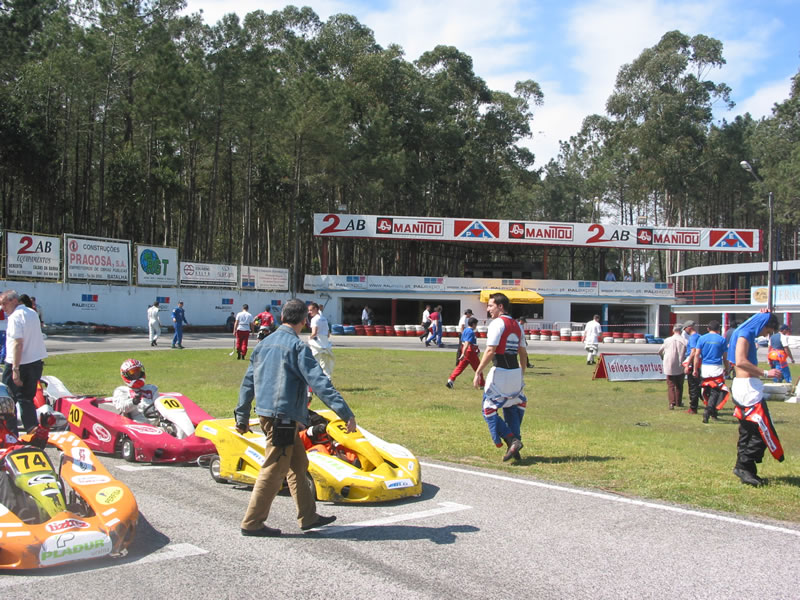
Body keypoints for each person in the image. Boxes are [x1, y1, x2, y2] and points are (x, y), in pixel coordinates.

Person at [234, 298, 357, 537]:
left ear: (282, 317)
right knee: (272, 469)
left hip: (270, 415)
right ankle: (252, 522)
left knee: (298, 465)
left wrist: (241, 415)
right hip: (283, 419)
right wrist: (345, 412)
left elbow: (247, 383)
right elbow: (320, 382)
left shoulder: (262, 345)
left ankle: (308, 516)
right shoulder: (297, 347)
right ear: (304, 320)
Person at [727, 311, 783, 487]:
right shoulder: (745, 334)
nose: (766, 335)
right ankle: (745, 466)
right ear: (763, 324)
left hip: (743, 386)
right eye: (768, 330)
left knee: (748, 431)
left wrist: (763, 314)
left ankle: (744, 468)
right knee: (762, 432)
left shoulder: (743, 330)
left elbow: (757, 320)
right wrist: (766, 373)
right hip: (748, 388)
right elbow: (741, 361)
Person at [473, 293, 528, 462]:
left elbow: (491, 350)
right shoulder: (518, 326)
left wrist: (478, 371)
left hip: (501, 371)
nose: (488, 309)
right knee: (511, 406)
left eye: (490, 306)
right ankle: (514, 449)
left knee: (488, 409)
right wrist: (521, 373)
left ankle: (511, 439)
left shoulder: (497, 323)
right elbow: (523, 353)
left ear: (500, 307)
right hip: (515, 373)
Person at [0, 385, 55, 517]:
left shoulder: (5, 431)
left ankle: (54, 510)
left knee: (44, 472)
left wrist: (43, 429)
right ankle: (14, 515)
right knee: (4, 477)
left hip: (13, 472)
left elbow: (21, 447)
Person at [1, 290, 48, 432]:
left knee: (7, 400)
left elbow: (17, 344)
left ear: (14, 301)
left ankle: (9, 434)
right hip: (35, 362)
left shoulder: (15, 317)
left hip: (19, 364)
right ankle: (32, 429)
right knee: (27, 398)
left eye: (4, 303)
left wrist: (15, 369)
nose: (3, 308)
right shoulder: (31, 313)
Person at [693, 320, 730, 423]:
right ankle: (710, 410)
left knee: (707, 391)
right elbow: (725, 357)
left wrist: (695, 369)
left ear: (708, 329)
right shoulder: (722, 340)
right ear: (719, 329)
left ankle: (711, 410)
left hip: (705, 368)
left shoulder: (702, 338)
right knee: (716, 392)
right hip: (717, 368)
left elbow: (697, 355)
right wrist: (727, 368)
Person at [447, 317, 484, 389]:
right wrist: (463, 354)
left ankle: (451, 380)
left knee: (460, 367)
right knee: (479, 368)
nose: (476, 326)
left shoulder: (465, 330)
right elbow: (467, 343)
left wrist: (463, 353)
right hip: (470, 351)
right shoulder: (470, 332)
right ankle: (482, 384)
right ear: (473, 324)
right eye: (476, 324)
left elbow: (463, 342)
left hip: (465, 350)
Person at [659, 324, 687, 409]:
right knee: (679, 385)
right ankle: (678, 402)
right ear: (681, 331)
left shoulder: (667, 340)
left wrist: (663, 358)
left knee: (671, 385)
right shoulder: (684, 341)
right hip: (680, 364)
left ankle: (671, 403)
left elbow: (660, 351)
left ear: (673, 330)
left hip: (669, 364)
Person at [307, 302, 334, 380]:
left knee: (314, 364)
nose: (309, 312)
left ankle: (313, 384)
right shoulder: (324, 319)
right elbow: (328, 334)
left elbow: (314, 333)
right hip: (325, 345)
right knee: (325, 366)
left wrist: (309, 337)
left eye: (310, 310)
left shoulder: (314, 319)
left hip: (317, 346)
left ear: (316, 309)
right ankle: (328, 381)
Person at [682, 320, 701, 414]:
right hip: (699, 363)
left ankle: (693, 408)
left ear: (689, 327)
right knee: (698, 386)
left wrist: (688, 364)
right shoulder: (699, 336)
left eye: (685, 329)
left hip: (693, 363)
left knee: (693, 386)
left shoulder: (693, 338)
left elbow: (693, 351)